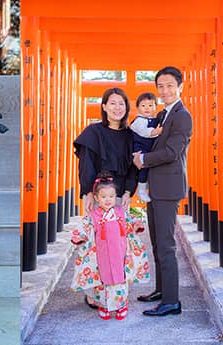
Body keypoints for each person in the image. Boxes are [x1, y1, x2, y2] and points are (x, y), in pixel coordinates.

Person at [133, 66, 193, 316]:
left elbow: (172, 152)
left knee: (166, 245)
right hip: (156, 187)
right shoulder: (164, 114)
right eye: (161, 86)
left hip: (167, 188)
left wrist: (144, 159)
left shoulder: (182, 115)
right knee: (157, 243)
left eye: (170, 85)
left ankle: (172, 301)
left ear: (180, 86)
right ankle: (161, 290)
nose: (165, 90)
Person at [73, 87, 139, 308]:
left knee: (120, 247)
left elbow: (133, 168)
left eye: (121, 103)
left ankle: (118, 293)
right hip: (97, 196)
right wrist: (87, 193)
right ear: (104, 106)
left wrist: (129, 191)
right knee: (95, 247)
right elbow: (86, 164)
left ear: (126, 108)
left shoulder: (131, 136)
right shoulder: (93, 132)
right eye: (112, 103)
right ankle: (95, 295)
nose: (117, 107)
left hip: (120, 197)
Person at [70, 171, 150, 320]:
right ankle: (104, 305)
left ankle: (122, 305)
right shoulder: (94, 215)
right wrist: (78, 236)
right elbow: (85, 226)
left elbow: (131, 221)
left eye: (111, 197)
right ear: (96, 198)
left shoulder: (121, 212)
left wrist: (136, 225)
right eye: (103, 197)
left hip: (120, 252)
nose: (108, 200)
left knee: (120, 278)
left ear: (115, 197)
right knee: (102, 278)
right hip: (102, 253)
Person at [130, 92, 163, 203]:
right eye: (143, 106)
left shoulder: (155, 119)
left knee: (149, 168)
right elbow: (145, 132)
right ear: (138, 107)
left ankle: (146, 187)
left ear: (155, 107)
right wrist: (156, 131)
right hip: (140, 149)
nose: (147, 108)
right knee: (143, 168)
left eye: (150, 105)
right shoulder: (139, 121)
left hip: (149, 149)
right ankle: (141, 189)